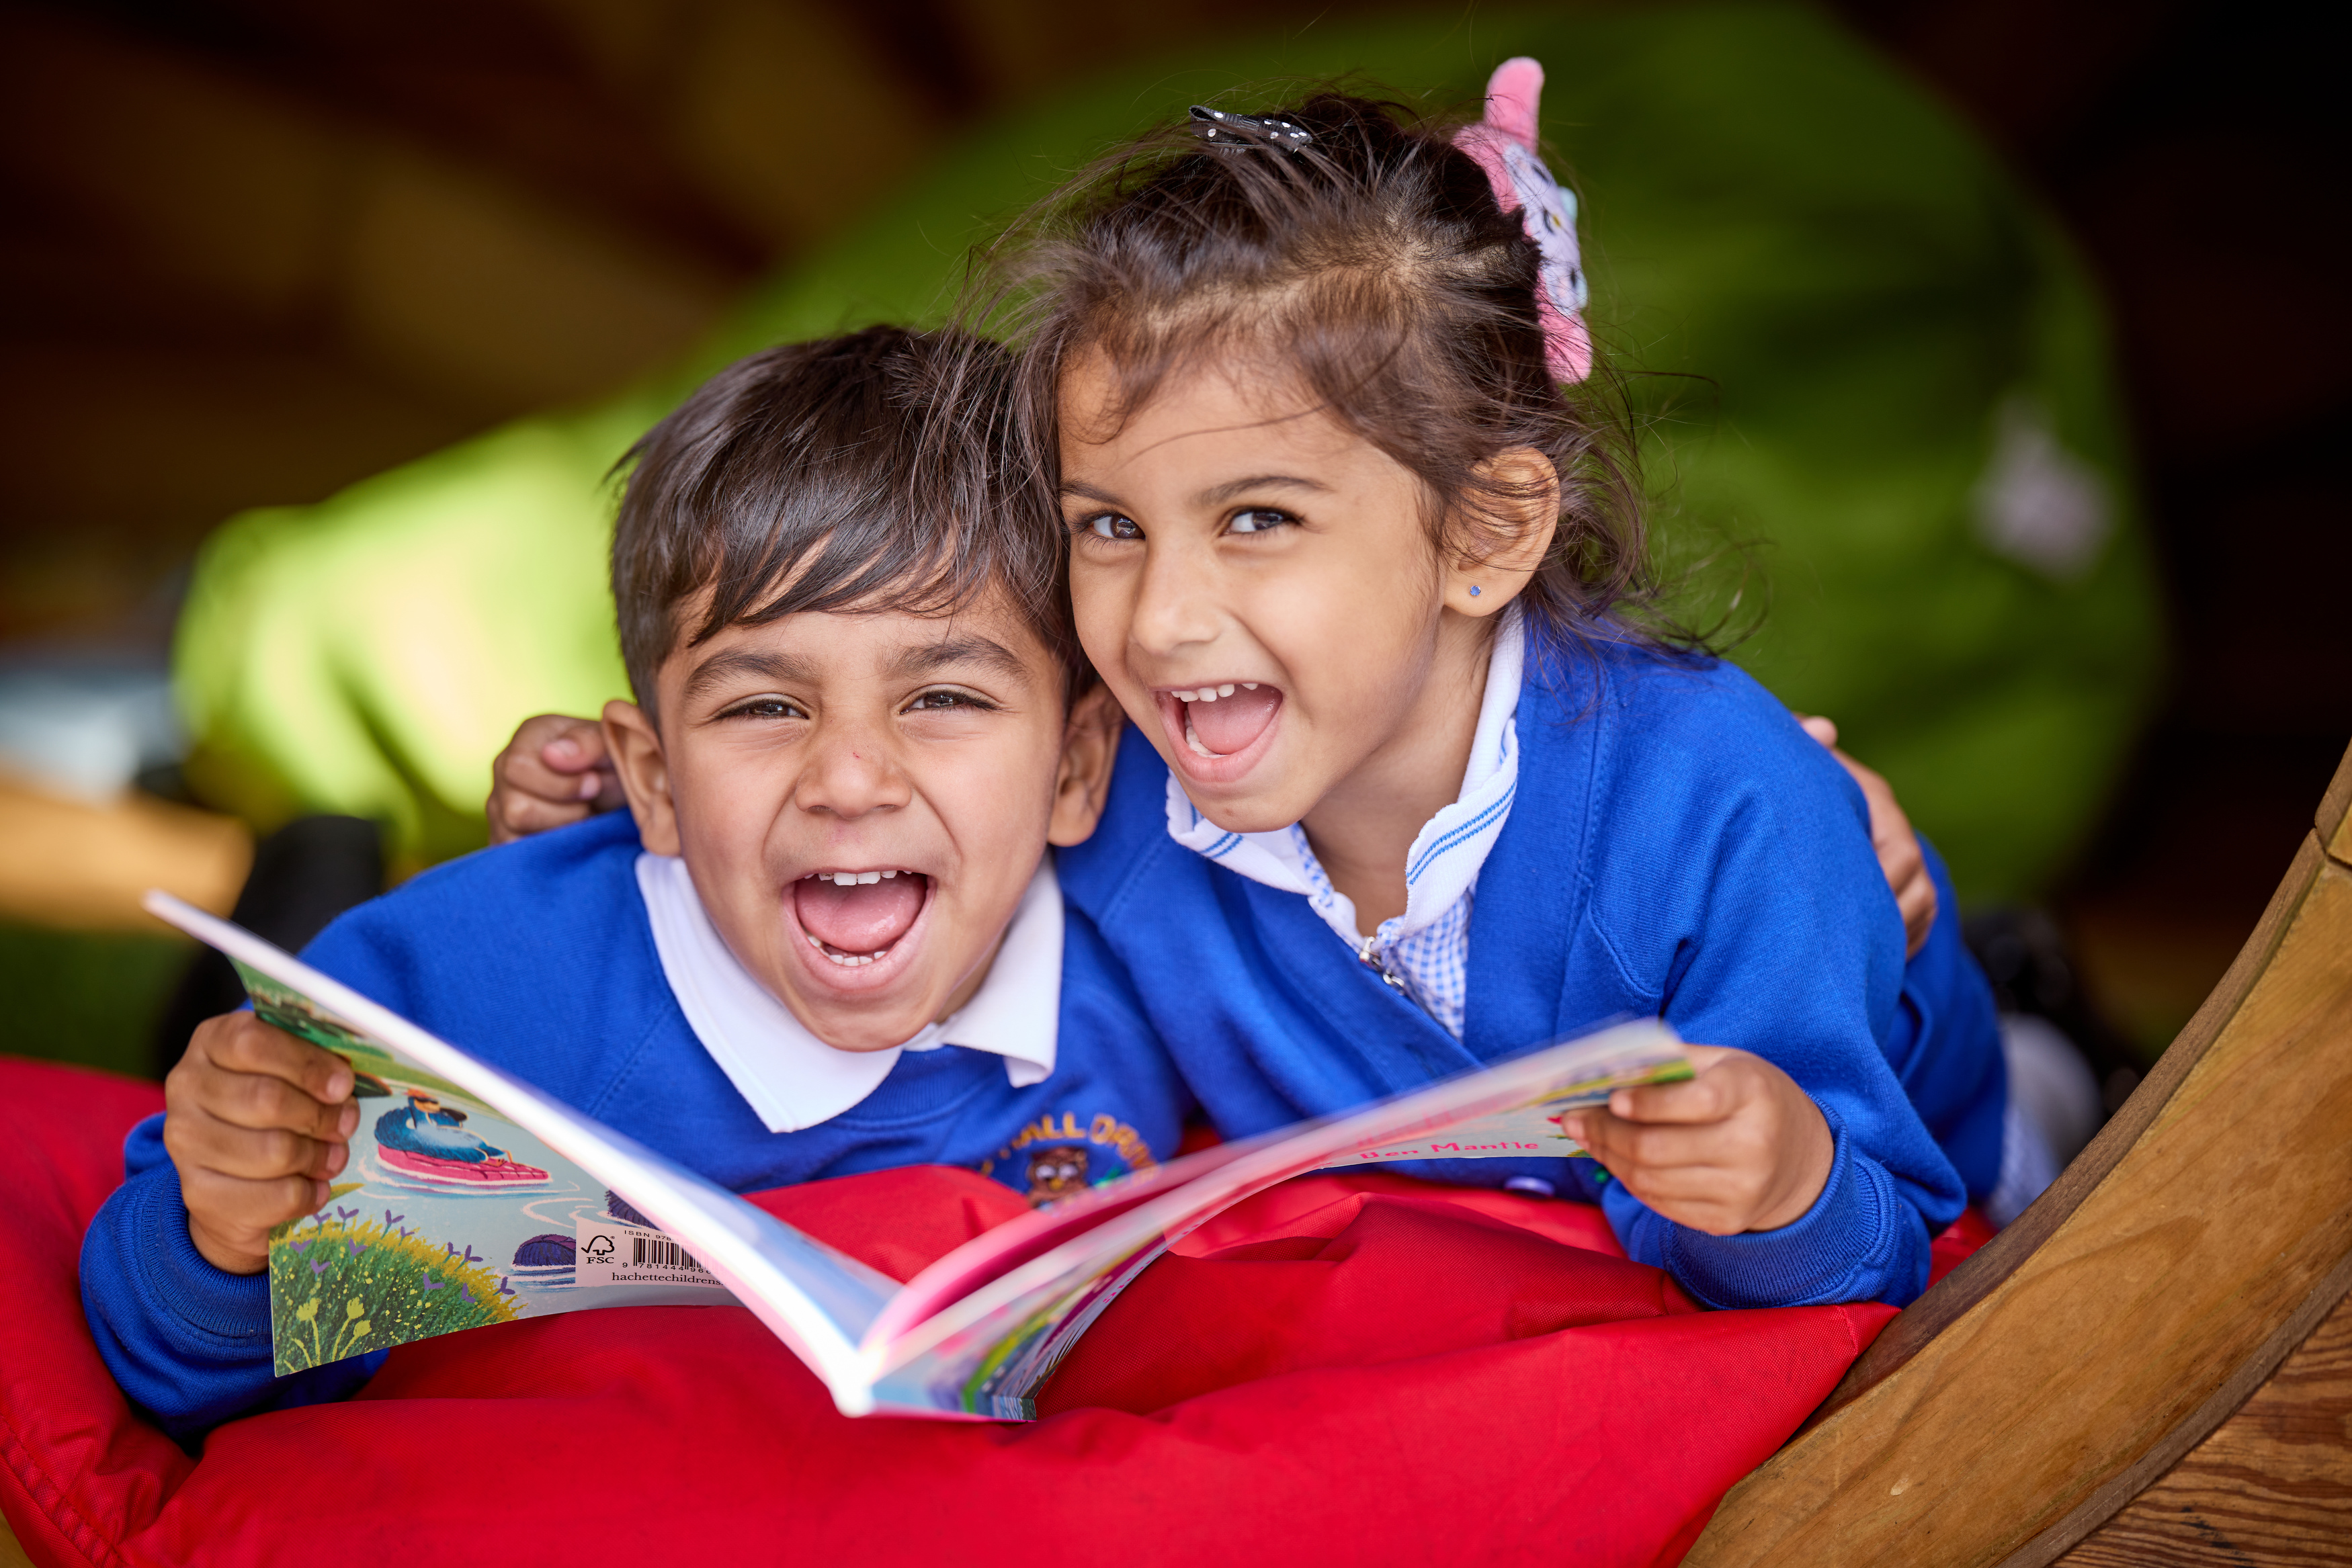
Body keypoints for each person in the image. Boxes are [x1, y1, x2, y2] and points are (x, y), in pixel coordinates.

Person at [80, 327, 1193, 1444]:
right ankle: (304, 870)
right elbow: (174, 1368)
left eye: (943, 697)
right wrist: (222, 1233)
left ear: (1078, 767)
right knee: (244, 1003)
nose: (850, 778)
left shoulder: (1161, 954)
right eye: (765, 706)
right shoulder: (469, 1002)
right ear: (652, 779)